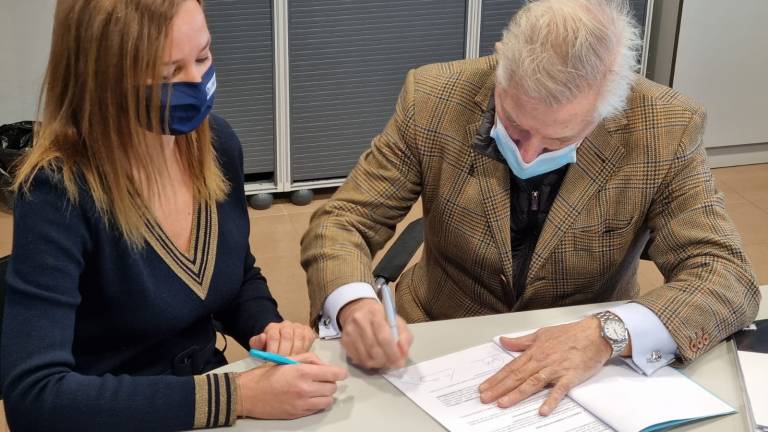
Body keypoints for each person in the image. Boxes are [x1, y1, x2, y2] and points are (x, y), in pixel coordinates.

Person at [301, 0, 760, 416]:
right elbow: (344, 222)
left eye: (559, 139)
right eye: (515, 125)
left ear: (609, 106)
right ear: (502, 67)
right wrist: (354, 304)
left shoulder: (665, 126)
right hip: (435, 340)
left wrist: (607, 333)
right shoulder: (433, 97)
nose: (528, 155)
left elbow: (725, 274)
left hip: (585, 360)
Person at [1, 0, 346, 430]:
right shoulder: (58, 191)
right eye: (169, 75)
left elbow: (236, 276)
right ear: (102, 79)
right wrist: (237, 396)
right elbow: (35, 397)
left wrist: (270, 327)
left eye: (203, 57)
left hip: (203, 404)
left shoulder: (218, 145)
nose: (198, 83)